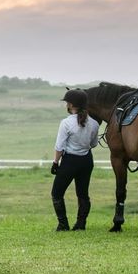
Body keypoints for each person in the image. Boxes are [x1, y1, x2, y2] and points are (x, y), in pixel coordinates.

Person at [50, 88, 100, 231]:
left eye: (67, 102)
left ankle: (63, 224)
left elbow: (59, 146)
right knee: (83, 194)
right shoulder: (94, 124)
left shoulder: (66, 123)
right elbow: (93, 144)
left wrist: (55, 162)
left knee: (57, 193)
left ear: (71, 105)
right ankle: (80, 224)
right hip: (86, 161)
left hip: (70, 161)